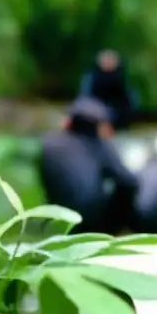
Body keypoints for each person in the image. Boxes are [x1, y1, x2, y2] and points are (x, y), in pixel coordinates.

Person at [37, 96, 139, 235]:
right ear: (97, 126)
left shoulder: (48, 144)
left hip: (59, 217)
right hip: (93, 222)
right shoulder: (98, 145)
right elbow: (130, 182)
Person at [78, 49, 139, 130]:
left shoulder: (122, 79)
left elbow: (127, 102)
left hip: (116, 117)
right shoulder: (91, 78)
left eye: (110, 60)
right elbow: (85, 99)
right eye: (106, 60)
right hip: (95, 115)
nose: (107, 63)